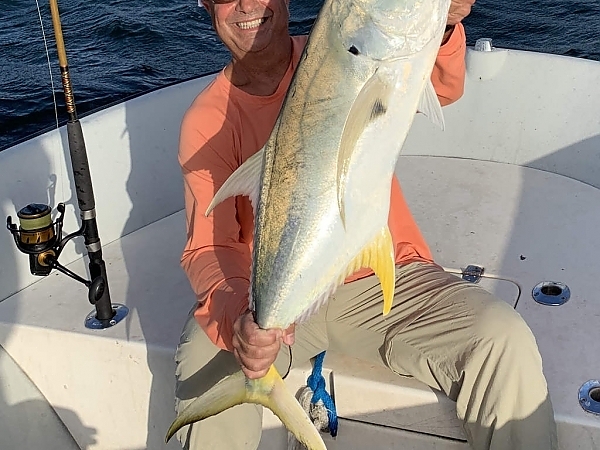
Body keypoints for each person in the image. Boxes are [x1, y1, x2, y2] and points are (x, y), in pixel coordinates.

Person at [174, 0, 558, 448]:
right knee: (206, 356)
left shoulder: (343, 52)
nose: (246, 6)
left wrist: (446, 22)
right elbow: (208, 248)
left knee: (501, 341)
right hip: (276, 296)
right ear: (205, 5)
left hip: (381, 278)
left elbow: (441, 84)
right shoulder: (207, 120)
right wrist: (240, 320)